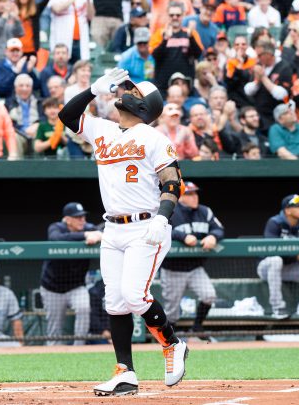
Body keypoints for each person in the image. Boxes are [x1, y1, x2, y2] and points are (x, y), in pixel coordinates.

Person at [58, 68, 188, 395]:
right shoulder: (102, 128)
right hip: (112, 228)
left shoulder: (154, 137)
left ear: (146, 106)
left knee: (134, 295)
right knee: (114, 302)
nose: (125, 90)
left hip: (146, 225)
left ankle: (172, 344)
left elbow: (172, 182)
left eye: (134, 90)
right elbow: (67, 115)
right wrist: (92, 90)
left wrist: (163, 216)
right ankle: (125, 373)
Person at [160, 181, 222, 334]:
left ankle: (197, 327)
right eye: (189, 194)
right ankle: (167, 339)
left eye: (195, 193)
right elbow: (161, 230)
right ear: (180, 197)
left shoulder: (205, 211)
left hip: (195, 269)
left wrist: (213, 237)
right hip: (173, 269)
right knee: (172, 313)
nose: (194, 197)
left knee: (209, 295)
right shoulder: (170, 211)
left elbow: (219, 228)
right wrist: (182, 236)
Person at [40, 202, 102, 345]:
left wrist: (98, 235)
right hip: (52, 288)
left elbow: (100, 233)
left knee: (84, 308)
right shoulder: (57, 227)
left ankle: (78, 348)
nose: (82, 220)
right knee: (54, 329)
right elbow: (55, 238)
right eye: (78, 217)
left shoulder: (88, 227)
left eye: (83, 217)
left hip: (76, 286)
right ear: (67, 219)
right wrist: (85, 234)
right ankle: (53, 353)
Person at [257, 193, 299, 320]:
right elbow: (271, 250)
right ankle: (277, 308)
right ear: (288, 210)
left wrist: (295, 256)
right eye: (298, 206)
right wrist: (294, 256)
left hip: (291, 269)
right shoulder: (274, 222)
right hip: (266, 268)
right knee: (276, 260)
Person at [149, 1, 203, 96]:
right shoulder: (160, 33)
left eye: (178, 15)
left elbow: (198, 54)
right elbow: (155, 56)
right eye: (171, 15)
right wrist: (165, 40)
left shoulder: (190, 33)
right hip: (163, 87)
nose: (175, 17)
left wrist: (190, 38)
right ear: (167, 16)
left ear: (183, 15)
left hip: (185, 87)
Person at [244, 40, 292, 133]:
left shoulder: (284, 67)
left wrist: (263, 77)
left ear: (269, 54)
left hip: (278, 116)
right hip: (260, 115)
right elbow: (248, 90)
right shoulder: (258, 65)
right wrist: (257, 81)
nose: (257, 58)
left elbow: (282, 95)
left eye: (259, 55)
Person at [49, 0, 90, 64]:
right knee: (62, 67)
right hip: (62, 41)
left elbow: (91, 17)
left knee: (80, 68)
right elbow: (57, 9)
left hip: (80, 41)